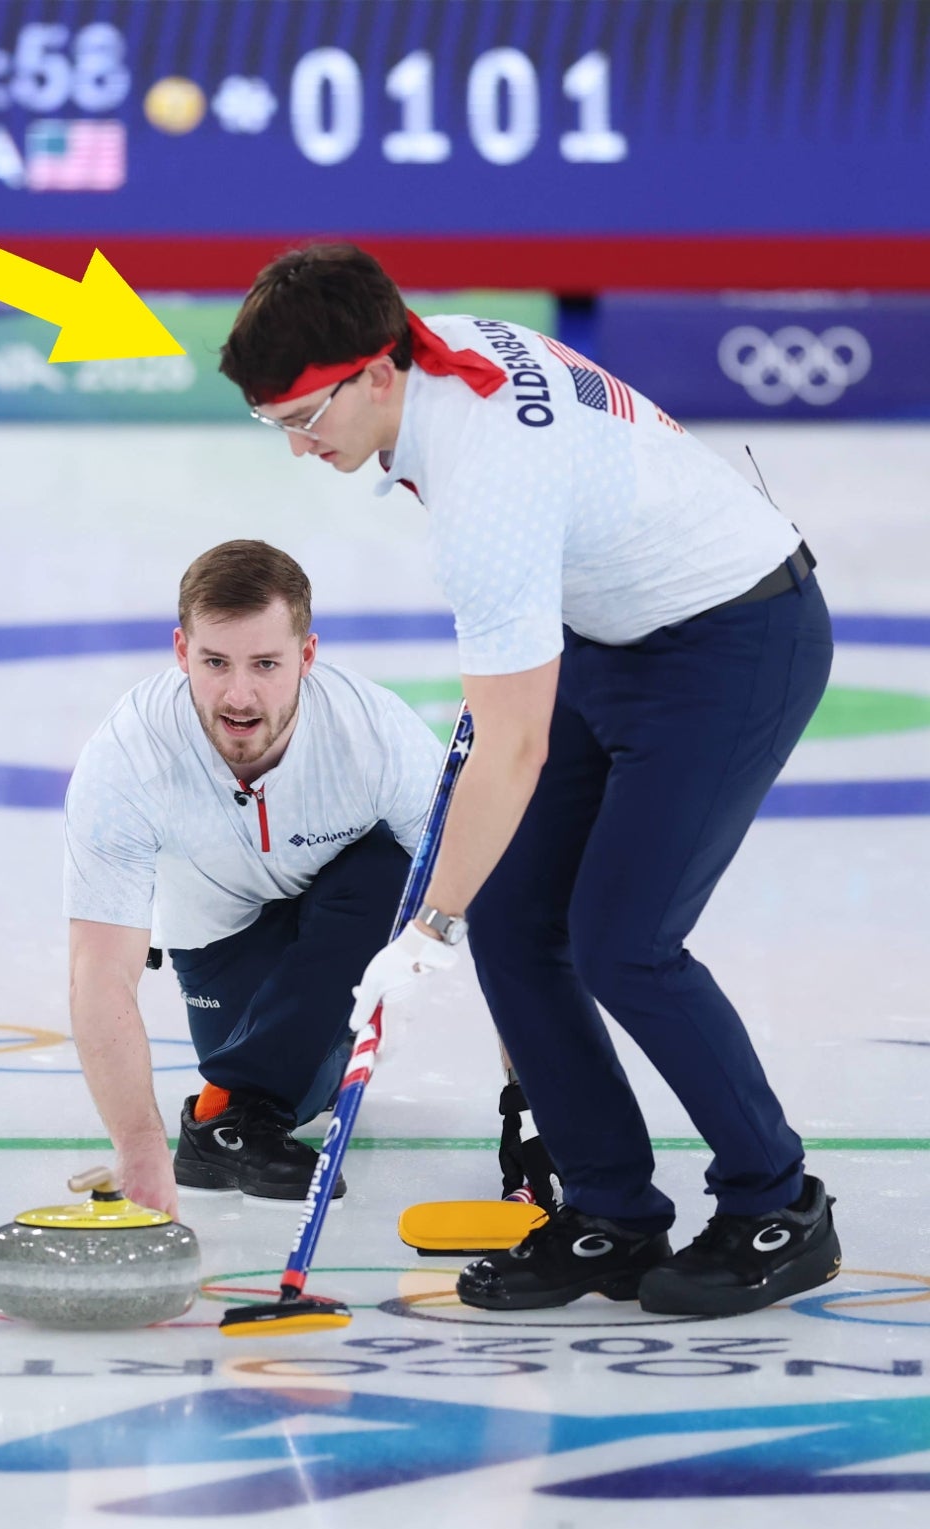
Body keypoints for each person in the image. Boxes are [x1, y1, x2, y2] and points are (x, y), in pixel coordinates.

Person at [221, 242, 838, 1318]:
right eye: (274, 425)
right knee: (516, 917)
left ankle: (776, 1202)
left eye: (302, 418)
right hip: (607, 624)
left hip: (735, 639)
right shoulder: (430, 357)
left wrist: (423, 934)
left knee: (623, 939)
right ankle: (610, 1207)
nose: (297, 447)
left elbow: (513, 749)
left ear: (373, 374)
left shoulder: (484, 486)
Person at [66, 541, 445, 1214]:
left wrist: (529, 1098)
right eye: (215, 663)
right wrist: (140, 1145)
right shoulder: (127, 755)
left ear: (306, 655)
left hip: (352, 927)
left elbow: (495, 896)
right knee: (295, 1094)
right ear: (182, 652)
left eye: (266, 664)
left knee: (398, 865)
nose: (239, 695)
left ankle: (238, 1106)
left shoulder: (375, 734)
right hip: (222, 950)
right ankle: (233, 1106)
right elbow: (100, 967)